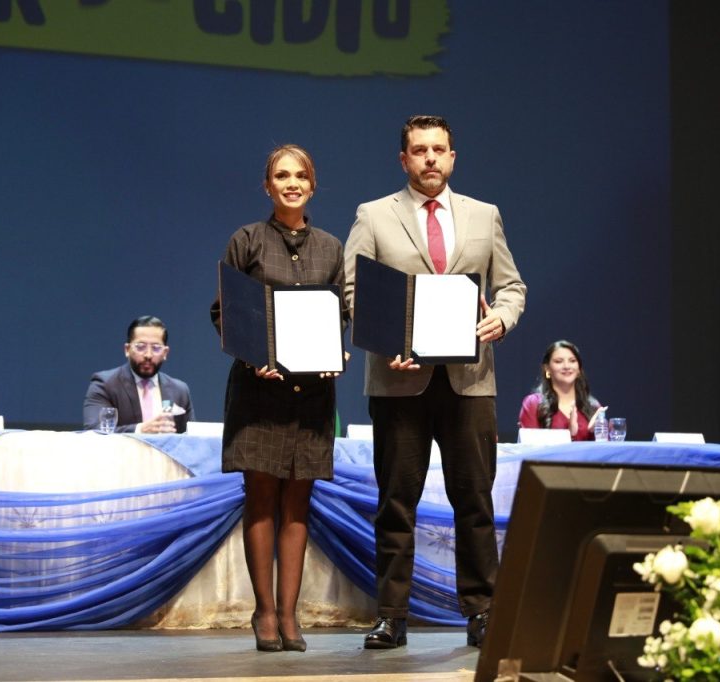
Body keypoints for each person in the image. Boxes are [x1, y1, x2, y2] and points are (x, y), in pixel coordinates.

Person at [343, 115, 527, 649]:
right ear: (403, 159)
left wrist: (503, 318)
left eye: (439, 150)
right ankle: (391, 616)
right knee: (396, 500)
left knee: (474, 500)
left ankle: (483, 612)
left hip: (470, 381)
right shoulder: (374, 215)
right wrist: (385, 341)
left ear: (452, 157)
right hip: (399, 381)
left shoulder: (483, 215)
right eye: (419, 150)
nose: (430, 158)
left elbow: (511, 285)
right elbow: (353, 293)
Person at [209, 144, 346, 653]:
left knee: (299, 502)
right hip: (258, 389)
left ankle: (291, 615)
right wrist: (250, 355)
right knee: (261, 498)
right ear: (267, 187)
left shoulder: (331, 248)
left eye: (300, 176)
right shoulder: (246, 240)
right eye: (281, 176)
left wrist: (338, 352)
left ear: (312, 185)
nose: (291, 183)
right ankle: (264, 612)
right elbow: (225, 312)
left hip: (312, 394)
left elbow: (339, 316)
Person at [82, 316, 195, 434]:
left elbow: (191, 439)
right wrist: (140, 430)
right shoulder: (105, 384)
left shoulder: (180, 390)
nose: (148, 355)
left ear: (165, 353)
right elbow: (94, 431)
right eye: (141, 347)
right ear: (127, 349)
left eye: (156, 348)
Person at [518, 340, 604, 440]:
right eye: (559, 361)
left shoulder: (593, 406)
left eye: (572, 361)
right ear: (547, 369)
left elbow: (606, 450)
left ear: (579, 369)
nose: (567, 366)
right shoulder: (533, 404)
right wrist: (569, 434)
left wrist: (594, 433)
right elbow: (529, 448)